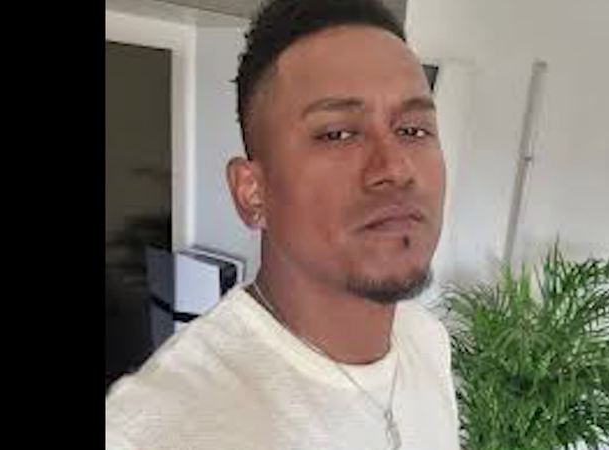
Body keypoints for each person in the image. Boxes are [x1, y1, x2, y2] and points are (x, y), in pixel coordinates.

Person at [105, 0, 459, 448]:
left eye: (413, 130)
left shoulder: (426, 341)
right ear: (252, 193)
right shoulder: (158, 431)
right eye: (338, 134)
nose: (395, 168)